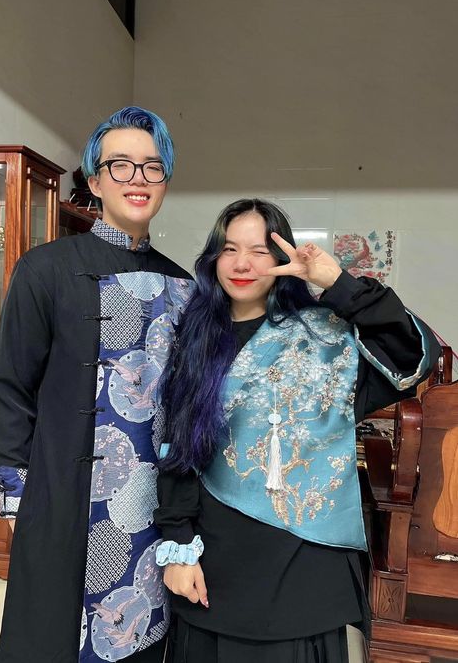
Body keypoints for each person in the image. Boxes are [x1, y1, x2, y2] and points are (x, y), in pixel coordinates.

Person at [155, 198, 440, 663]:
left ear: (283, 259)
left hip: (308, 559)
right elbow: (179, 445)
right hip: (217, 557)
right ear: (213, 259)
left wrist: (338, 284)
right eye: (229, 249)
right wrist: (180, 543)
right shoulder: (196, 336)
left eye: (259, 251)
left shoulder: (325, 336)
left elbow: (410, 354)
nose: (242, 264)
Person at [0, 107, 195, 662]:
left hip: (148, 507)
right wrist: (17, 501)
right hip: (59, 499)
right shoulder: (44, 270)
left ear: (165, 181)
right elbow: (11, 389)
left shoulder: (184, 287)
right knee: (50, 638)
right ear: (96, 180)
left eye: (152, 167)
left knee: (138, 636)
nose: (137, 179)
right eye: (120, 165)